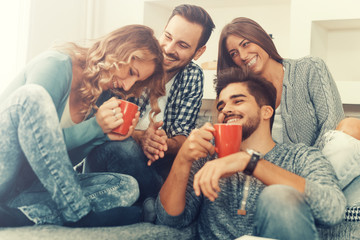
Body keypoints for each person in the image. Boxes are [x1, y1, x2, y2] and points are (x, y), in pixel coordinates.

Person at [0, 24, 164, 227]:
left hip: (28, 188)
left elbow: (57, 164)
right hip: (5, 170)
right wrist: (95, 128)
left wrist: (104, 134)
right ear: (119, 49)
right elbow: (32, 146)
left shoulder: (102, 93)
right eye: (131, 71)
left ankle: (17, 215)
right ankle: (78, 214)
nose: (128, 86)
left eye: (137, 80)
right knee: (32, 96)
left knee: (125, 186)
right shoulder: (56, 64)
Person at [155, 68, 346, 240]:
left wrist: (250, 162)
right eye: (221, 107)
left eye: (238, 101)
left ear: (266, 112)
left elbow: (333, 210)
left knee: (279, 196)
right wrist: (183, 159)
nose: (226, 110)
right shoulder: (207, 156)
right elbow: (169, 221)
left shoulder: (301, 157)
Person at [217, 17, 360, 212]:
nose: (242, 55)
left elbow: (331, 125)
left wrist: (304, 171)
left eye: (246, 43)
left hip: (313, 168)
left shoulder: (309, 68)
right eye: (234, 53)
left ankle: (308, 200)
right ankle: (308, 205)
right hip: (267, 173)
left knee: (351, 127)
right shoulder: (241, 96)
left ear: (261, 38)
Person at [86, 4, 215, 203]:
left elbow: (182, 138)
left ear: (198, 52)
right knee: (126, 148)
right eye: (168, 36)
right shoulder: (135, 56)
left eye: (182, 45)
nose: (168, 49)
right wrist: (141, 137)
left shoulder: (193, 75)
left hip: (155, 162)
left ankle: (144, 202)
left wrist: (161, 143)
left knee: (186, 167)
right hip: (111, 150)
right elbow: (101, 124)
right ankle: (153, 200)